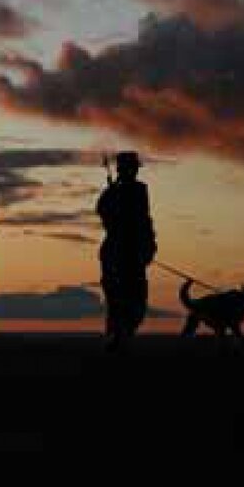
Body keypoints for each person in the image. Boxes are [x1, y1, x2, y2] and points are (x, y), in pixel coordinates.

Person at [96, 151, 157, 353]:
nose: (134, 171)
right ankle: (117, 338)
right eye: (131, 167)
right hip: (118, 252)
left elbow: (144, 220)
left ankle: (122, 337)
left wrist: (148, 246)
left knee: (136, 300)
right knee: (117, 300)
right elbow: (103, 212)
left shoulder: (139, 190)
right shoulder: (114, 193)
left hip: (133, 252)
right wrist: (111, 192)